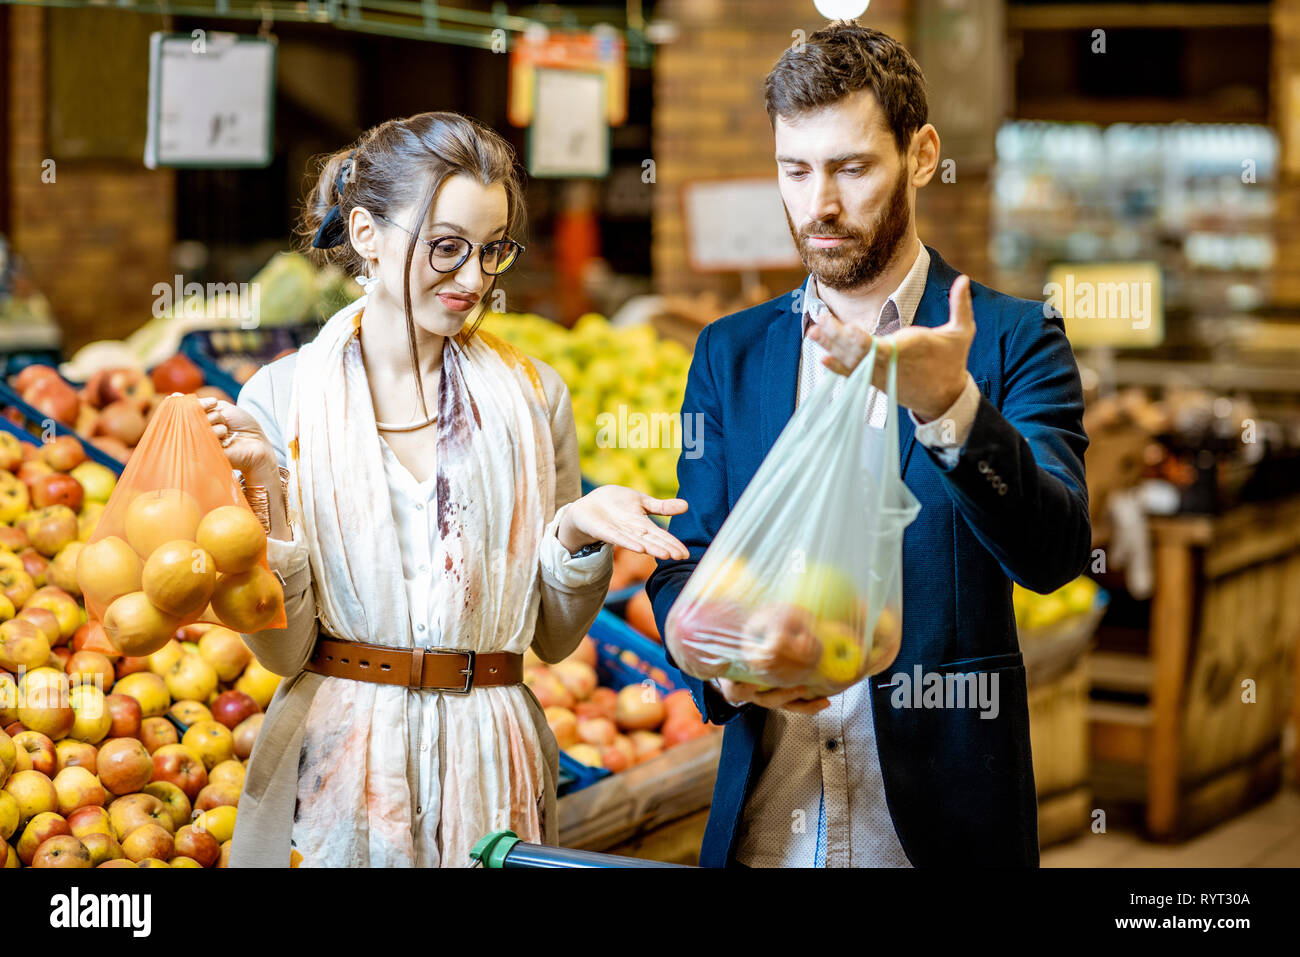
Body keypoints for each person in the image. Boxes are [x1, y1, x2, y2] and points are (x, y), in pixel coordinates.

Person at [646, 22, 1090, 867]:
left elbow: (1055, 552)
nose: (819, 203)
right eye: (795, 169)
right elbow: (682, 564)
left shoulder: (1011, 340)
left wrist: (950, 407)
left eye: (852, 168)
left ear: (920, 156)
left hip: (938, 840)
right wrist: (719, 666)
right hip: (766, 834)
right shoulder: (729, 353)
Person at [204, 111, 689, 867]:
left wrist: (575, 534)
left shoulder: (534, 397)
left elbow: (555, 641)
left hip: (492, 766)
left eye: (492, 250)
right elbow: (283, 648)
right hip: (336, 774)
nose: (474, 280)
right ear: (366, 233)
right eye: (446, 248)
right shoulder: (283, 399)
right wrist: (264, 485)